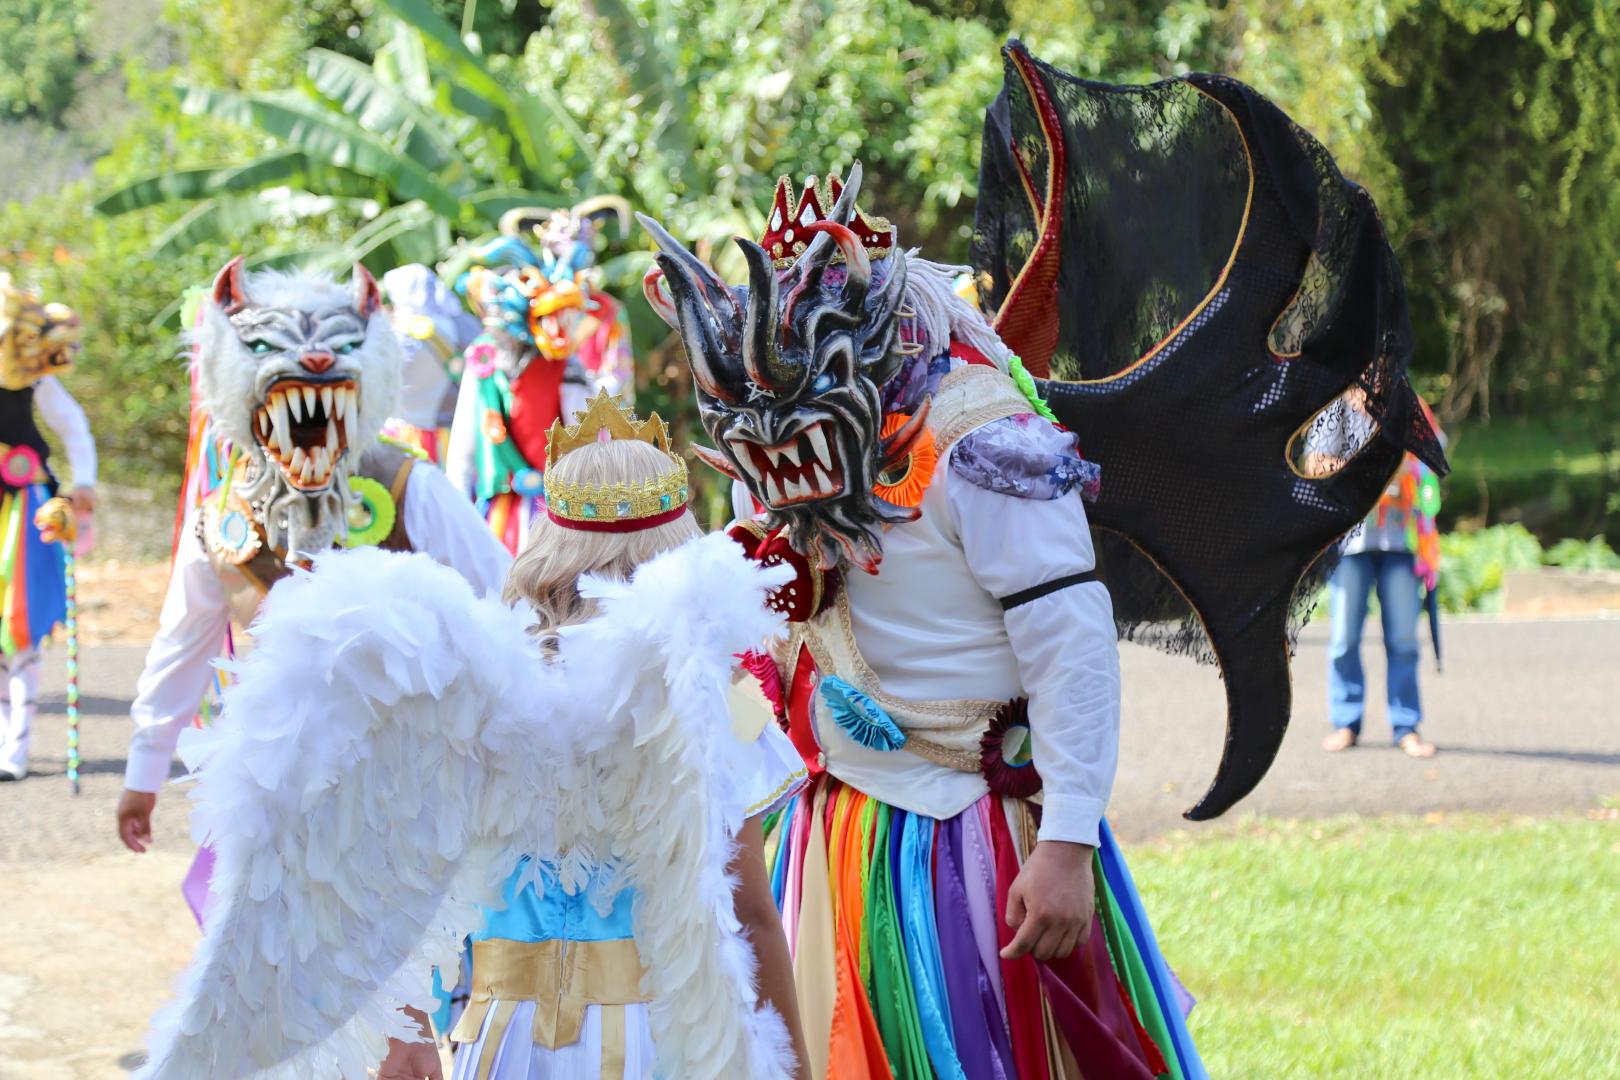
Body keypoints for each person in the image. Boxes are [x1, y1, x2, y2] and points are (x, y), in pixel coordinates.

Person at [641, 164, 1202, 1079]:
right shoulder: (770, 447)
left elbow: (1072, 648)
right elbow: (768, 647)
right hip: (831, 834)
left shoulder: (986, 439)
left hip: (977, 840)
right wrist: (727, 772)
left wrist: (1064, 845)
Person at [133, 391, 807, 1080]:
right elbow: (751, 916)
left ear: (550, 537)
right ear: (676, 548)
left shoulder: (477, 697)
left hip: (503, 1035)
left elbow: (410, 881)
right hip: (664, 1034)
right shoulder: (720, 693)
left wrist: (410, 1025)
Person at [115, 257, 511, 855]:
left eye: (337, 345)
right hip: (281, 789)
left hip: (415, 781)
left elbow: (504, 599)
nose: (316, 360)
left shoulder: (411, 488)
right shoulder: (223, 523)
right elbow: (182, 645)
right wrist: (144, 772)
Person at [445, 201, 634, 552]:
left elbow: (612, 387)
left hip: (564, 492)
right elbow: (464, 447)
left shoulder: (604, 315)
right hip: (505, 499)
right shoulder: (487, 354)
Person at [0, 278, 96, 781]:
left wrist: (84, 484)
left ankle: (14, 750)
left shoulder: (36, 381)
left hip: (25, 507)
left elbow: (73, 426)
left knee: (22, 631)